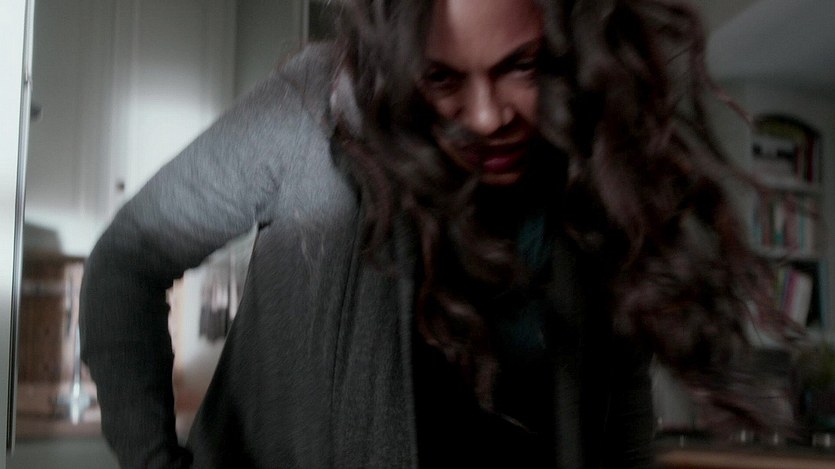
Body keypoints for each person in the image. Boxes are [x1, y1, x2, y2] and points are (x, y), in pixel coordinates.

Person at [79, 0, 783, 467]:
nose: (487, 117)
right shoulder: (313, 112)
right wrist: (154, 461)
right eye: (442, 79)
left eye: (521, 65)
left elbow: (616, 390)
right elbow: (126, 260)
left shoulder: (593, 167)